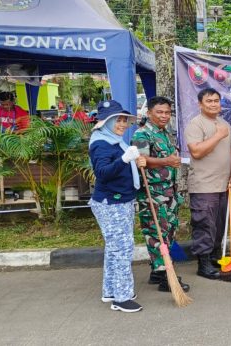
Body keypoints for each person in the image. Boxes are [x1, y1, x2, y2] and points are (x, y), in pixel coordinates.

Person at [88, 100, 146, 313]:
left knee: (115, 248)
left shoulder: (114, 140)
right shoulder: (100, 143)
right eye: (117, 120)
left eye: (123, 119)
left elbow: (121, 167)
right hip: (111, 202)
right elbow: (102, 173)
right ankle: (121, 298)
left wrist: (135, 162)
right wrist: (124, 159)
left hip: (121, 200)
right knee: (122, 249)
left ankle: (110, 290)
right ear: (104, 122)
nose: (122, 124)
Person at [131, 97, 190, 292]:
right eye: (159, 112)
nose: (164, 116)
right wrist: (166, 161)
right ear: (149, 113)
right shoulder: (142, 134)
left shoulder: (166, 133)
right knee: (157, 232)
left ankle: (156, 271)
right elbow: (142, 159)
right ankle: (166, 275)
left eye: (167, 112)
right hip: (152, 193)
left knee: (169, 230)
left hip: (168, 191)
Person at [185, 88, 231, 280]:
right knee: (204, 224)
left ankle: (215, 256)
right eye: (209, 101)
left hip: (223, 184)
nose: (214, 104)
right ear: (200, 104)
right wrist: (217, 135)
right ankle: (203, 263)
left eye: (216, 100)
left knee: (219, 224)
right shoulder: (195, 124)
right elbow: (196, 152)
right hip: (204, 185)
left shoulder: (224, 124)